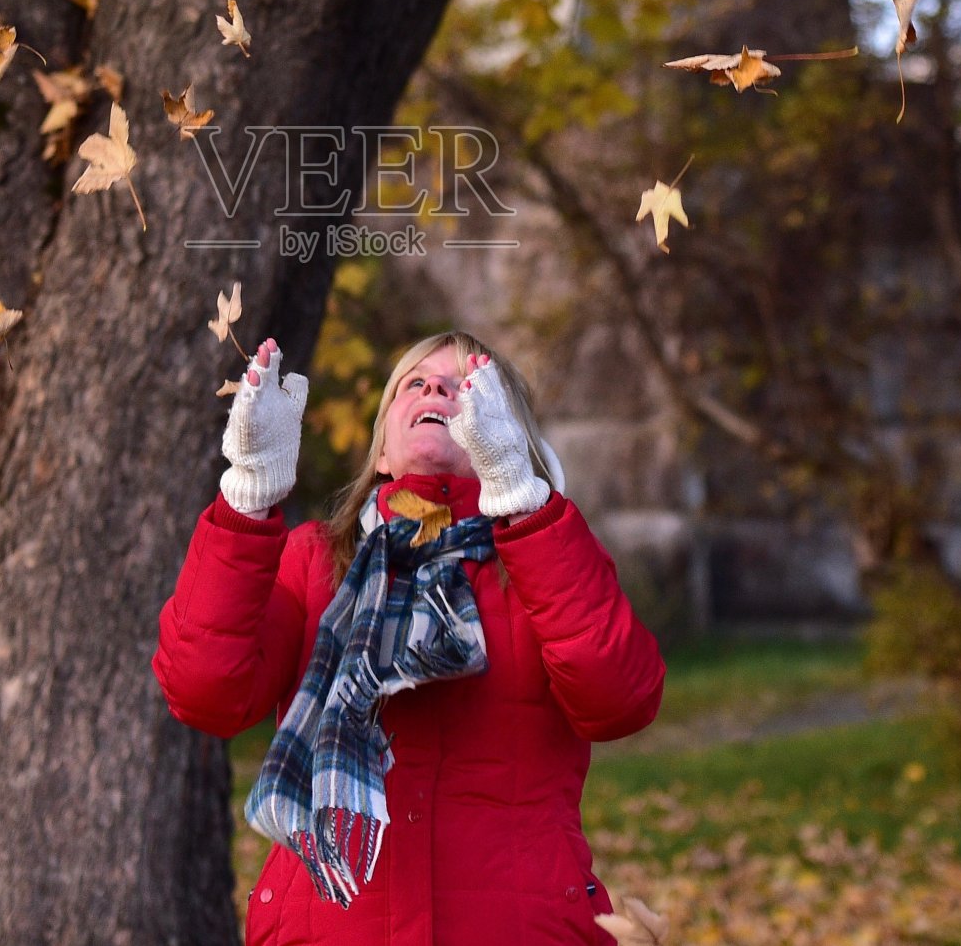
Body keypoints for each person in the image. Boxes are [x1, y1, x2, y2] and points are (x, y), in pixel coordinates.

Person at [152, 330, 666, 946]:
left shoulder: (546, 558)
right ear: (383, 456)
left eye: (465, 384)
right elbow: (204, 690)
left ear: (507, 435)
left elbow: (621, 699)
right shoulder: (313, 561)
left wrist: (526, 505)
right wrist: (248, 496)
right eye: (413, 383)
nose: (434, 388)